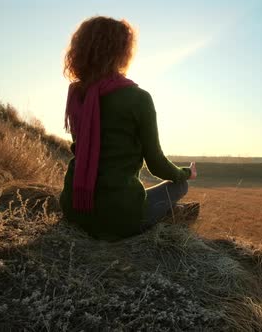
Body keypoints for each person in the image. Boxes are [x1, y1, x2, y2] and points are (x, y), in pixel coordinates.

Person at [59, 16, 199, 241]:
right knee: (181, 187)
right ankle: (168, 216)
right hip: (119, 218)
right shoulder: (138, 98)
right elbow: (156, 164)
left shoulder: (77, 94)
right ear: (122, 52)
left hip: (74, 207)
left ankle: (169, 215)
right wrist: (185, 173)